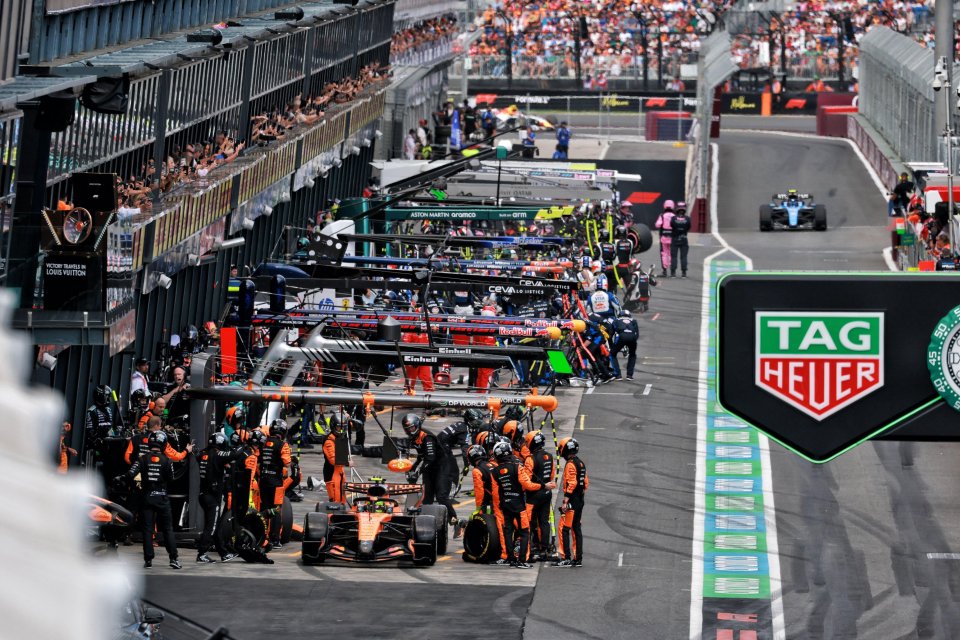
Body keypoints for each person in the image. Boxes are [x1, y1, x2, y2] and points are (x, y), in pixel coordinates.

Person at [116, 430, 182, 569]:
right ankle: (174, 558)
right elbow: (171, 478)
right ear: (163, 444)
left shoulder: (142, 459)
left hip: (146, 497)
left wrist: (120, 478)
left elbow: (130, 473)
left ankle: (148, 560)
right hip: (162, 497)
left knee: (147, 529)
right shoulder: (167, 460)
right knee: (167, 529)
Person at [491, 440, 555, 568]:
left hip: (505, 505)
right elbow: (528, 485)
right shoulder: (517, 467)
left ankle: (510, 558)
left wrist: (499, 506)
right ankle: (521, 560)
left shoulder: (495, 471)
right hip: (519, 506)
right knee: (524, 531)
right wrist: (544, 485)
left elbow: (496, 492)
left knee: (508, 531)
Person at [403, 413, 459, 529]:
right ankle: (427, 522)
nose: (410, 431)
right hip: (430, 467)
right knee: (426, 497)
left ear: (417, 426)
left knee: (441, 496)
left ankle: (454, 519)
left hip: (442, 467)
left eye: (412, 428)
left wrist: (417, 473)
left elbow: (430, 458)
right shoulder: (414, 438)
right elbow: (421, 456)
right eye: (407, 429)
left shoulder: (427, 437)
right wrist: (412, 468)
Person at [196, 432, 239, 563]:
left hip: (203, 494)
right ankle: (201, 554)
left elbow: (205, 455)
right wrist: (242, 447)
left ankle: (223, 553)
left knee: (215, 525)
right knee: (212, 527)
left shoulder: (202, 454)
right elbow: (233, 455)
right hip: (212, 497)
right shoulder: (216, 455)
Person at [259, 419, 293, 549]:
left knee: (264, 508)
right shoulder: (282, 445)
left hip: (263, 480)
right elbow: (287, 463)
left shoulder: (263, 443)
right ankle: (275, 539)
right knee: (276, 510)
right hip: (276, 482)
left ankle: (263, 536)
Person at [554, 437, 588, 567]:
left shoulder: (570, 464)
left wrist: (565, 500)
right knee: (576, 528)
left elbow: (572, 482)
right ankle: (578, 559)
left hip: (572, 501)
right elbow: (585, 483)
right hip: (580, 499)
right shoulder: (581, 463)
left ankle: (566, 557)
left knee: (564, 528)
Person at [523, 431, 555, 561]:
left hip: (533, 497)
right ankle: (544, 549)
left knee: (529, 523)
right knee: (544, 522)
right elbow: (551, 476)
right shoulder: (550, 456)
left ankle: (528, 549)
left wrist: (539, 486)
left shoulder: (530, 459)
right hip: (547, 495)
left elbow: (526, 483)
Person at [322, 414, 348, 503]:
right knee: (335, 500)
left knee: (342, 499)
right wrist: (347, 462)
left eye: (343, 427)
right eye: (338, 427)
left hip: (340, 472)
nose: (341, 430)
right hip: (332, 474)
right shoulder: (329, 441)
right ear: (333, 426)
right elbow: (333, 460)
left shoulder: (339, 439)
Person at [610, 310, 639, 380]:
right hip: (632, 337)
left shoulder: (616, 320)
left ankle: (618, 375)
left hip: (622, 336)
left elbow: (611, 333)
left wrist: (612, 344)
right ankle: (629, 375)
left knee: (612, 354)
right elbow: (637, 334)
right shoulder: (634, 320)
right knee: (632, 355)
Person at [654, 200, 675, 277]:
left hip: (664, 237)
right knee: (671, 253)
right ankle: (673, 271)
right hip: (672, 237)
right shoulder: (674, 216)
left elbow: (658, 225)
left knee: (664, 253)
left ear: (665, 206)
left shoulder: (662, 215)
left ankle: (664, 270)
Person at [670, 202, 691, 278]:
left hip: (675, 238)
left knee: (674, 256)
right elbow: (688, 227)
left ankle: (673, 273)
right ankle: (684, 273)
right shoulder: (688, 219)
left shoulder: (673, 218)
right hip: (684, 238)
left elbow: (671, 225)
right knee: (683, 256)